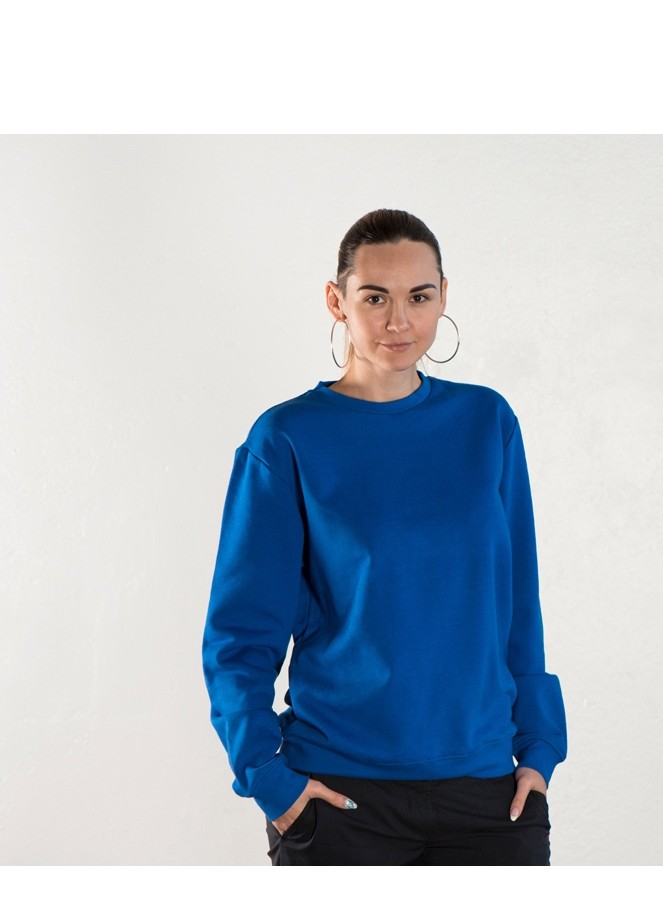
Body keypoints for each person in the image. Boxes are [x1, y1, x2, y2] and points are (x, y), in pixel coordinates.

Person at [202, 208, 567, 865]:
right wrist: (268, 778)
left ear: (443, 297)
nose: (399, 321)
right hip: (341, 795)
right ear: (336, 301)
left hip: (489, 794)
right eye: (375, 298)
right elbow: (241, 632)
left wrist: (538, 750)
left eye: (418, 297)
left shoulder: (486, 423)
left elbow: (516, 602)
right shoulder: (287, 439)